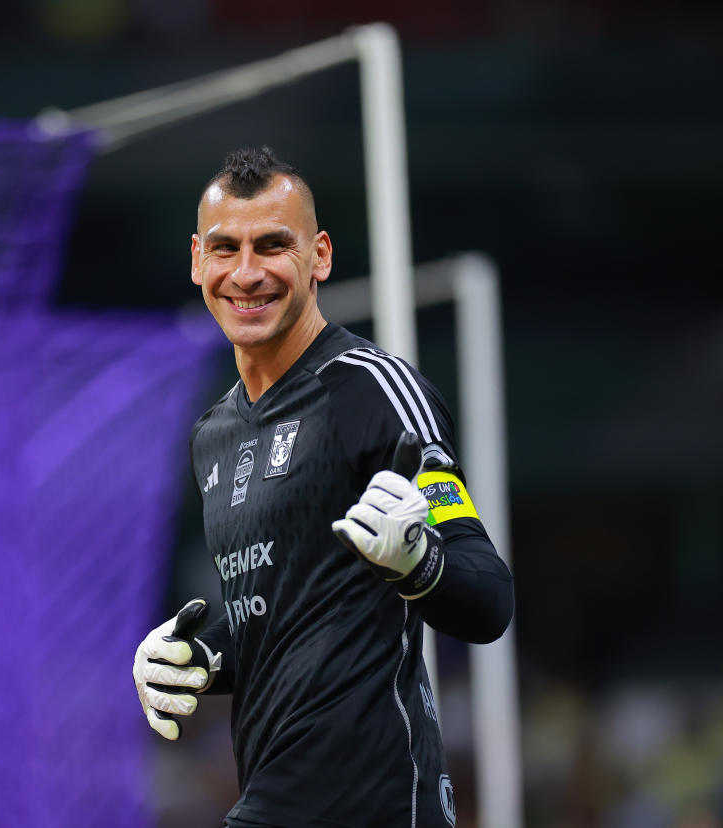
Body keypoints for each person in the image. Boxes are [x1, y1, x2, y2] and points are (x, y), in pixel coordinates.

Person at [132, 146, 514, 827]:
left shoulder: (374, 391)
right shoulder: (213, 435)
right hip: (273, 803)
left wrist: (419, 562)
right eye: (225, 249)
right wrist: (192, 659)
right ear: (197, 261)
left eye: (273, 245)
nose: (246, 273)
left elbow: (487, 598)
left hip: (381, 804)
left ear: (321, 256)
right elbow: (277, 626)